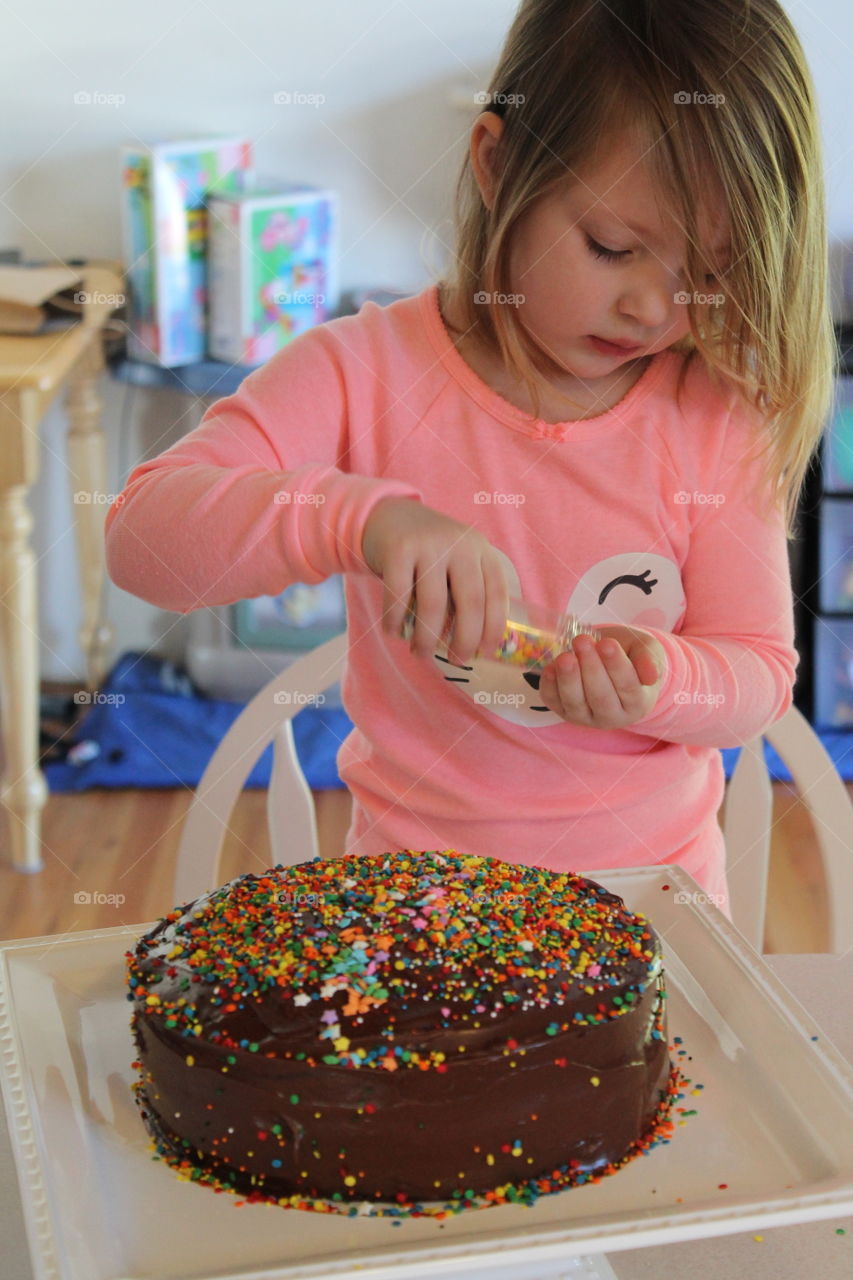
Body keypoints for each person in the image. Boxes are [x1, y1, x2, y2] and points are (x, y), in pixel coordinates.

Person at [105, 0, 836, 918]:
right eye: (613, 247)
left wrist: (657, 676)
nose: (656, 307)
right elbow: (142, 540)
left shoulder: (714, 413)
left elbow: (757, 673)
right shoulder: (360, 374)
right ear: (495, 164)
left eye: (714, 270)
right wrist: (354, 518)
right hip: (418, 919)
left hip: (654, 919)